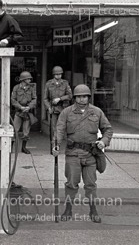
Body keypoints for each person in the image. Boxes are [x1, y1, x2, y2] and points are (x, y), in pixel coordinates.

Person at [52, 84, 113, 223]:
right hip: (73, 153)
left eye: (84, 96)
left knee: (91, 184)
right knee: (72, 184)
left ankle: (93, 210)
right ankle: (68, 210)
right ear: (75, 98)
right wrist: (55, 145)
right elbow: (59, 130)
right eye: (79, 96)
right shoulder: (66, 112)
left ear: (88, 97)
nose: (82, 99)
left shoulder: (97, 112)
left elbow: (108, 129)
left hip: (91, 154)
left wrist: (103, 141)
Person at [43, 66, 72, 142]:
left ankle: (66, 142)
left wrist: (60, 98)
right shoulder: (49, 84)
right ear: (54, 75)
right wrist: (48, 108)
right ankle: (54, 143)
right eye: (56, 74)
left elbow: (70, 96)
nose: (58, 75)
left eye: (60, 74)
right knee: (53, 128)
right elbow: (45, 98)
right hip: (53, 108)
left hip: (63, 108)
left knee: (65, 126)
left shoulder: (65, 83)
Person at [11, 71, 37, 154]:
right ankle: (10, 147)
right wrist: (20, 107)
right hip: (19, 111)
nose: (29, 80)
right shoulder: (16, 88)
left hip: (27, 112)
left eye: (29, 78)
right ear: (23, 80)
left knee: (26, 131)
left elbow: (34, 99)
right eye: (28, 78)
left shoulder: (31, 88)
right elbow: (13, 100)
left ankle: (23, 148)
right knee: (15, 130)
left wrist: (29, 107)